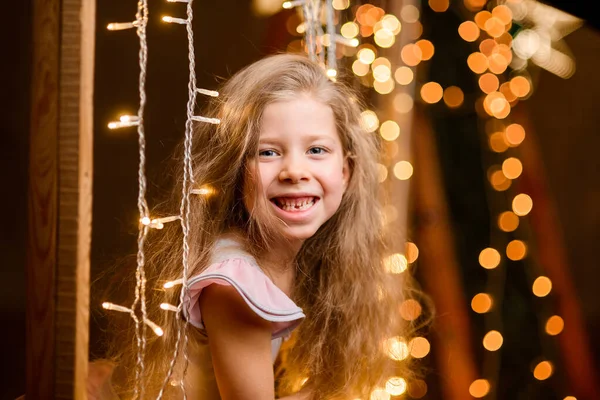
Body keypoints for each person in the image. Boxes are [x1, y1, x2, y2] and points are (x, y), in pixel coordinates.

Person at [96, 53, 415, 400]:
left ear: (345, 172)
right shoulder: (234, 284)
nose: (295, 170)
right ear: (235, 173)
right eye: (267, 153)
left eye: (317, 150)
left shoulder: (298, 257)